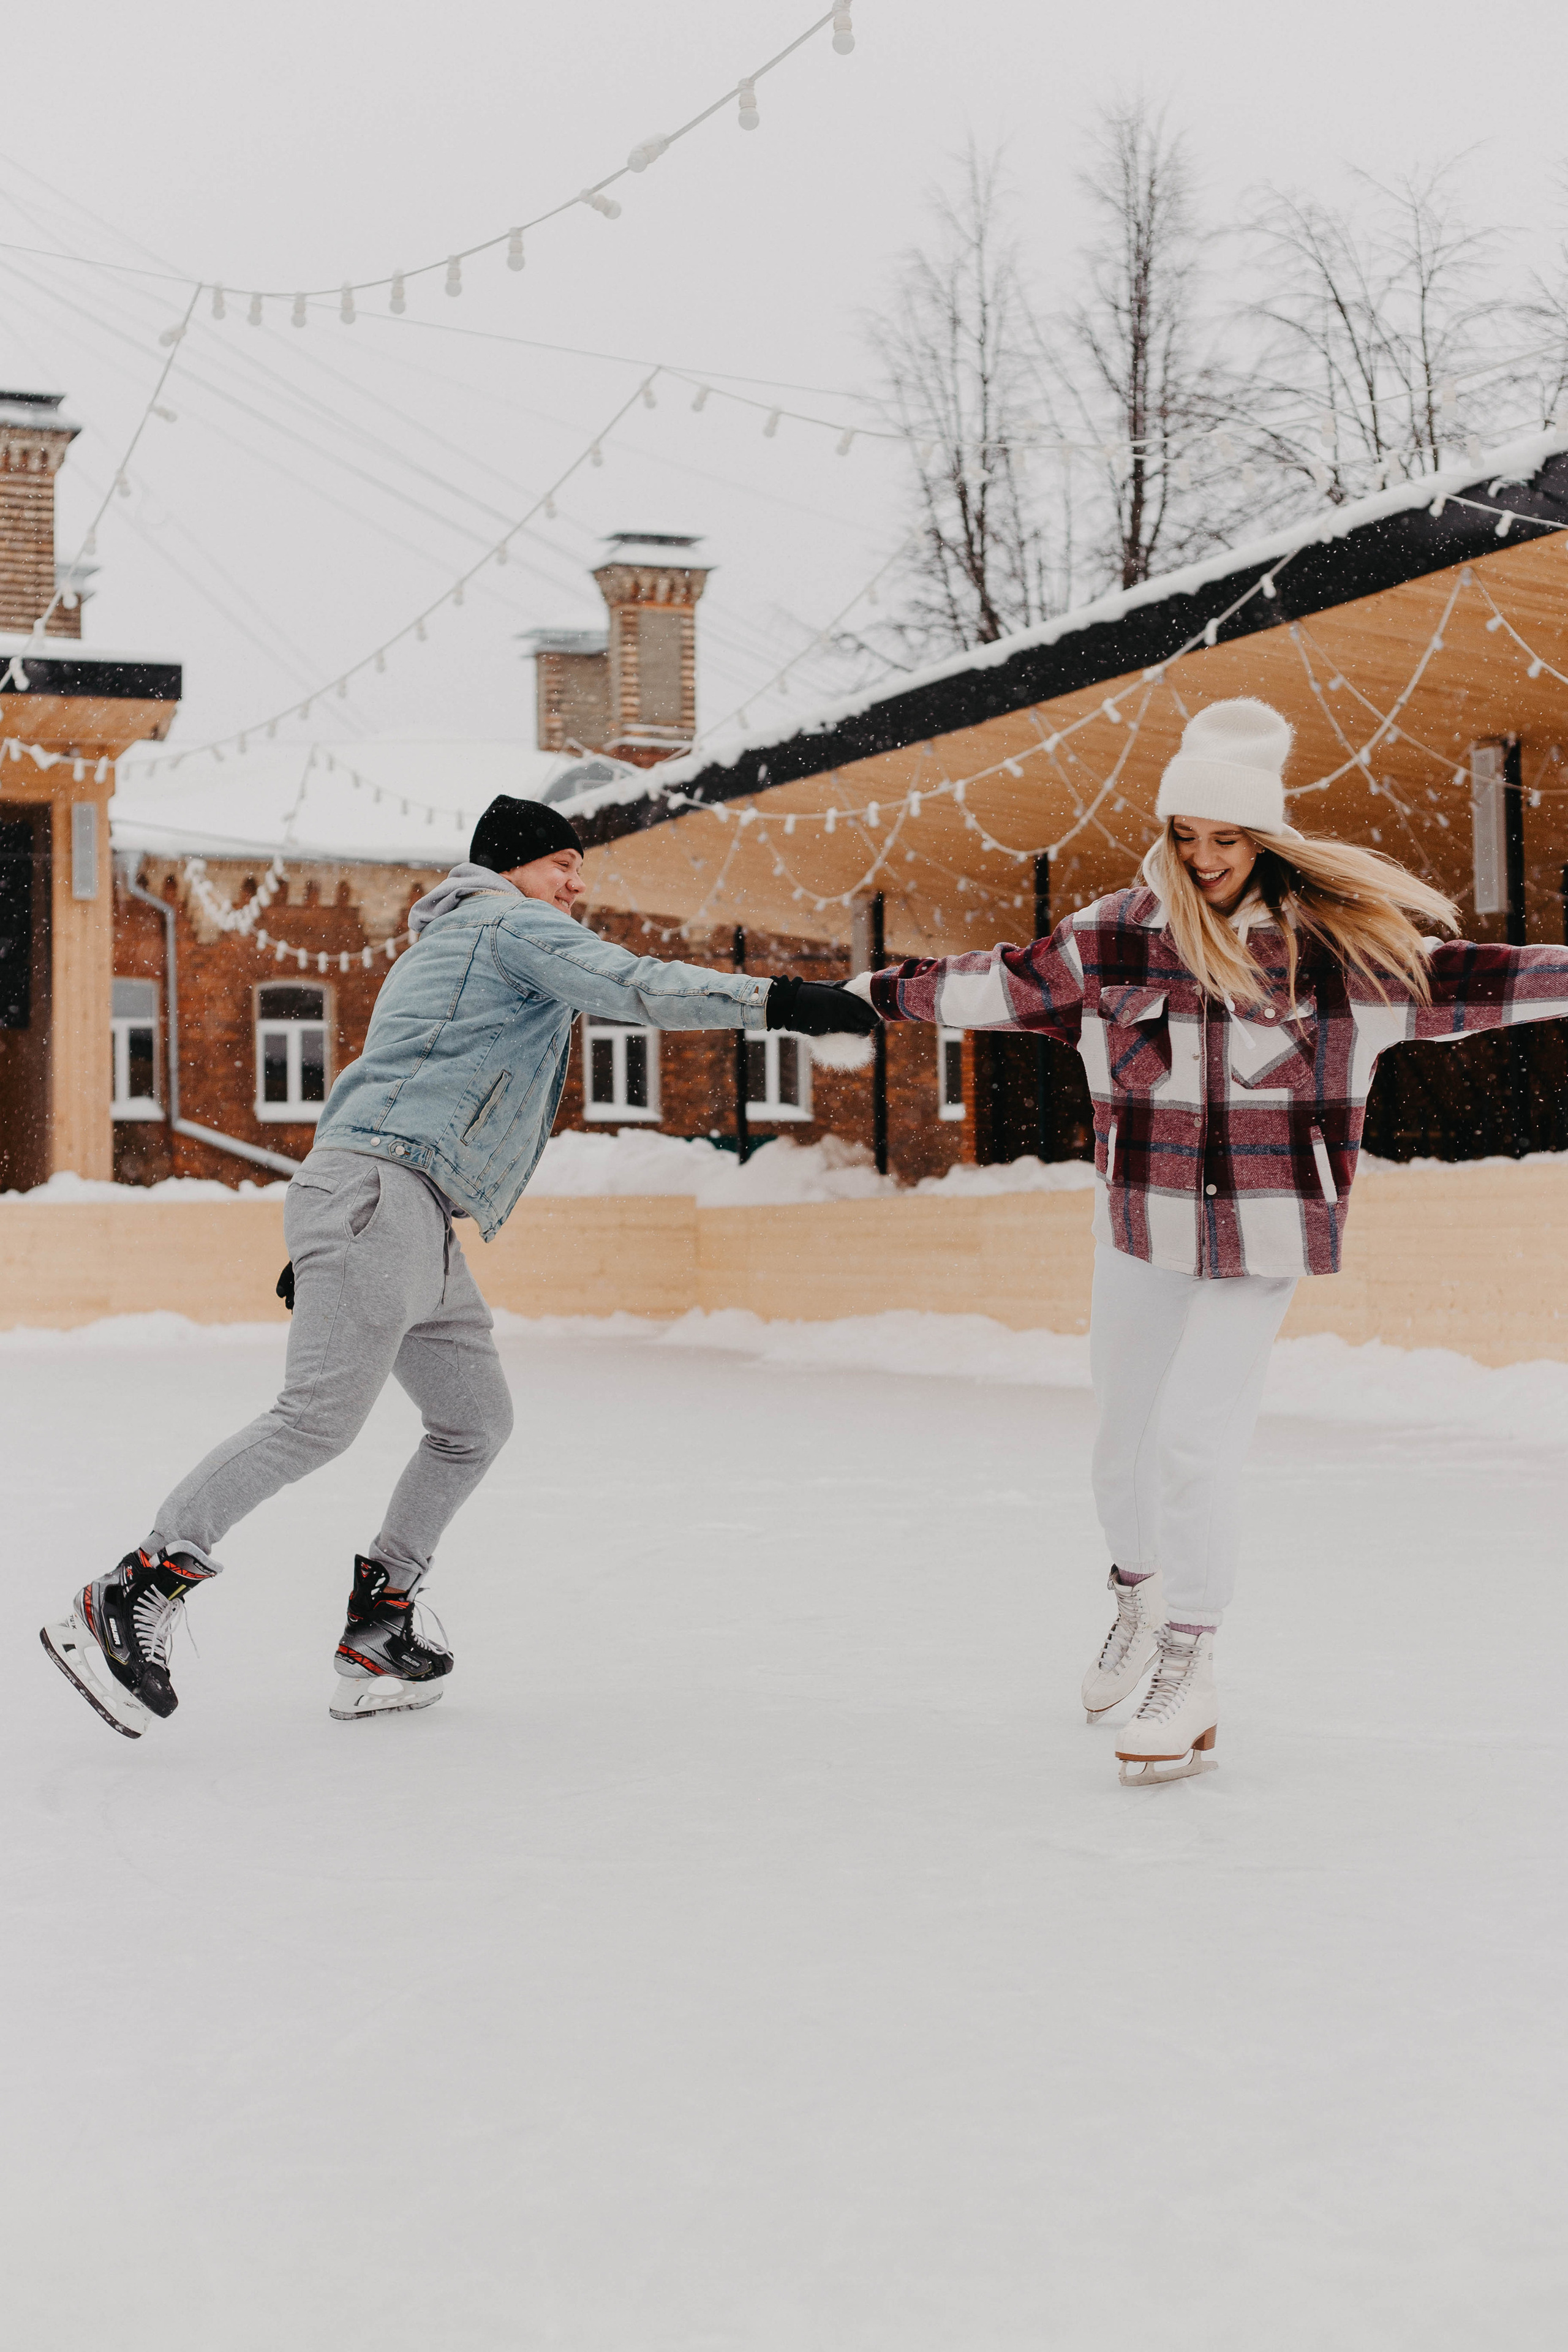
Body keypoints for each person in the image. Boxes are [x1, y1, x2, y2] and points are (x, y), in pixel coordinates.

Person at [43, 794, 880, 1739]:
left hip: (410, 1209)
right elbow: (635, 986)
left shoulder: (462, 942)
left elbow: (383, 1073)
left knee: (473, 1422)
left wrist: (334, 1224)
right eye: (564, 863)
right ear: (515, 864)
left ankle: (382, 1622)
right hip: (384, 1195)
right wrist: (779, 1000)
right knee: (316, 1420)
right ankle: (135, 1585)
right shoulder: (503, 921)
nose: (578, 882)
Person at [845, 696, 1568, 1785]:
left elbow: (1478, 977)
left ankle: (1193, 1660)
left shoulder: (1336, 957)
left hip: (1267, 1231)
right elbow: (990, 982)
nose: (1204, 857)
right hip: (1140, 1222)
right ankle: (1137, 1600)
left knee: (1193, 1438)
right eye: (1187, 836)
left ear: (1265, 840)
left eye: (1226, 839)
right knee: (1121, 1437)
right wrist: (847, 997)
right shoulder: (1118, 933)